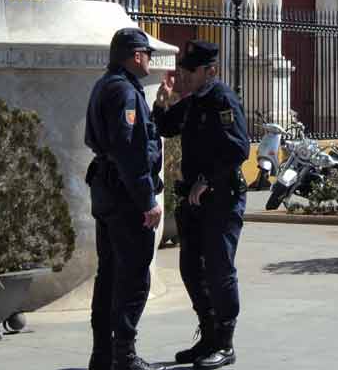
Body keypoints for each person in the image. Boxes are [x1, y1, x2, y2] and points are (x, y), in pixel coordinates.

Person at [154, 40, 249, 369]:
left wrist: (207, 178)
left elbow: (239, 149)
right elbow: (165, 127)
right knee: (191, 268)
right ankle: (208, 336)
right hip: (194, 201)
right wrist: (161, 103)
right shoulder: (194, 101)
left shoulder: (223, 99)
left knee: (220, 269)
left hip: (222, 197)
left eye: (190, 71)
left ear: (211, 71)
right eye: (183, 70)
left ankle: (225, 343)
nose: (185, 76)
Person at [84, 28, 164, 370]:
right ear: (135, 55)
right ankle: (124, 357)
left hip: (108, 192)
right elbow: (131, 151)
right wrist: (147, 200)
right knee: (131, 277)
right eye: (147, 53)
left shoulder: (106, 84)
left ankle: (103, 354)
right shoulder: (124, 92)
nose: (149, 60)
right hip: (126, 196)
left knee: (109, 275)